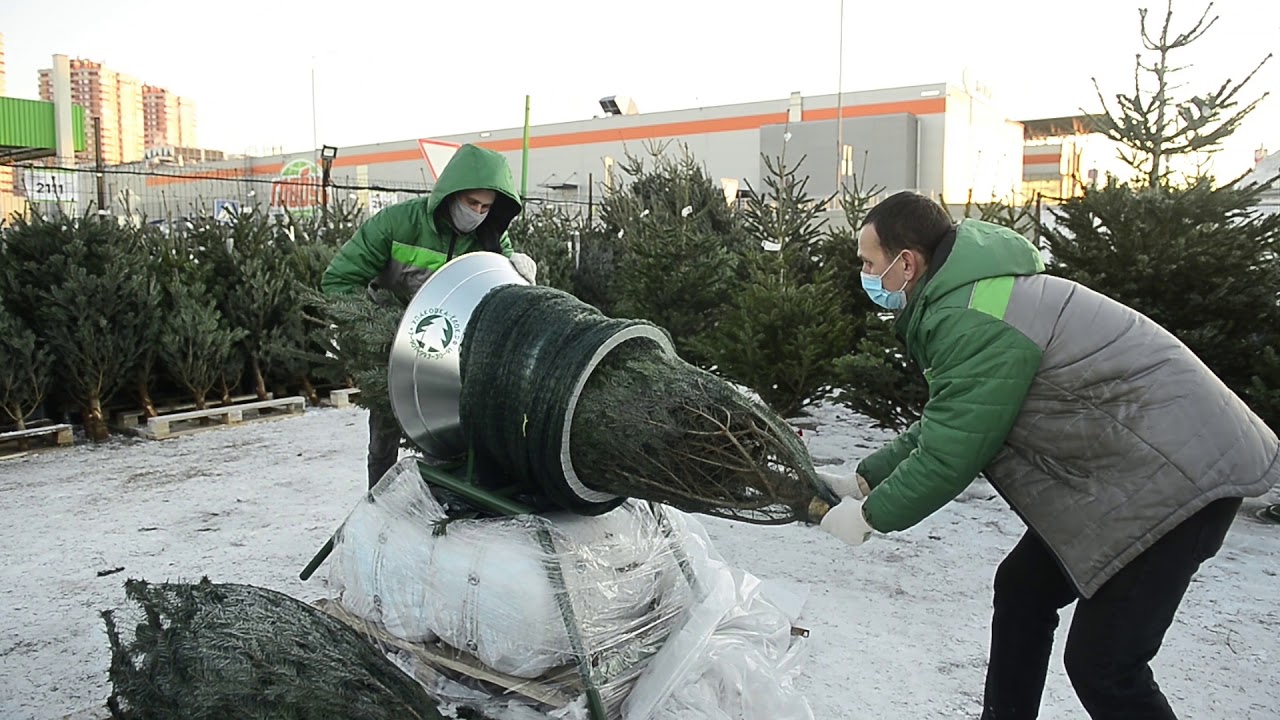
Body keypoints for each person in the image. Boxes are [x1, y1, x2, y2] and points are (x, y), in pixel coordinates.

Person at [815, 191, 1278, 719]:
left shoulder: (975, 315)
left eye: (869, 263)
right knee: (1024, 590)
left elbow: (952, 454)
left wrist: (871, 518)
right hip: (1134, 474)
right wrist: (865, 480)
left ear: (907, 262)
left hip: (1181, 478)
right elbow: (951, 420)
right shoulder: (972, 296)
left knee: (1105, 664)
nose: (865, 274)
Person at [322, 143, 536, 489]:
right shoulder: (396, 225)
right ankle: (380, 499)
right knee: (384, 435)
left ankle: (443, 506)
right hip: (390, 347)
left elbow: (503, 287)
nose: (478, 213)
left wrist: (516, 268)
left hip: (449, 353)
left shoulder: (490, 237)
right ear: (451, 194)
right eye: (471, 203)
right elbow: (340, 277)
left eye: (486, 207)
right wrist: (358, 326)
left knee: (446, 435)